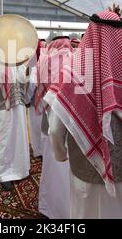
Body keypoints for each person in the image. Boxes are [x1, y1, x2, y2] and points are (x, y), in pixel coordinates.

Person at [44, 5, 122, 218]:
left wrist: (60, 155)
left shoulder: (73, 71)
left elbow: (54, 129)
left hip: (85, 166)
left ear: (89, 32)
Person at [35, 36, 72, 219]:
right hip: (64, 122)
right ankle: (62, 210)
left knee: (51, 166)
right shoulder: (71, 62)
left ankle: (49, 206)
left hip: (49, 118)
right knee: (62, 167)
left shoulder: (43, 62)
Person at [0, 61, 31, 190]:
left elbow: (24, 80)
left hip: (19, 106)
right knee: (5, 140)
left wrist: (26, 67)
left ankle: (21, 170)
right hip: (4, 108)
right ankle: (5, 174)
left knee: (20, 138)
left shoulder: (19, 64)